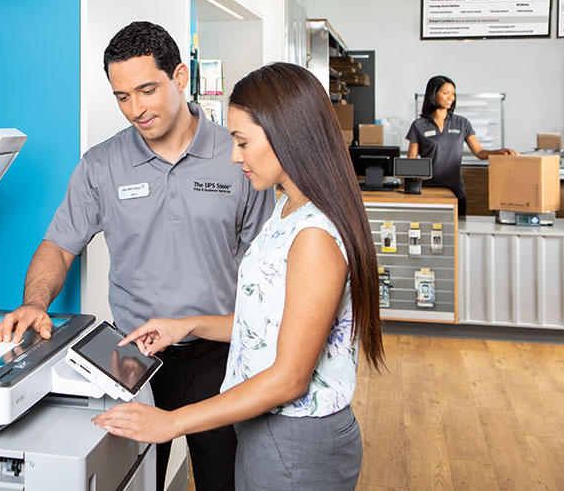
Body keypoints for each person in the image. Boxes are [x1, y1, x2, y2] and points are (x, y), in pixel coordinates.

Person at [0, 21, 273, 491]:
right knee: (134, 480)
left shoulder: (237, 155)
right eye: (122, 97)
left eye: (147, 90)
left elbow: (268, 269)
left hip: (220, 356)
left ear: (180, 78)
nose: (136, 109)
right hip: (131, 357)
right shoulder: (100, 165)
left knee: (223, 480)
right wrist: (35, 302)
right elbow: (58, 247)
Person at [91, 62, 386, 491]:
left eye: (243, 142)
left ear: (288, 135)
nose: (234, 156)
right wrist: (187, 325)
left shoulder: (315, 236)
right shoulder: (287, 210)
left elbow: (290, 377)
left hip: (296, 443)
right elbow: (270, 326)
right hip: (264, 430)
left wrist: (170, 423)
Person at [407, 75, 517, 214]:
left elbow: (479, 153)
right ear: (433, 94)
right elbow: (411, 162)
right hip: (428, 192)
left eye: (453, 94)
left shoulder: (462, 123)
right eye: (445, 93)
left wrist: (499, 152)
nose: (450, 98)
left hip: (455, 191)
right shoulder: (419, 125)